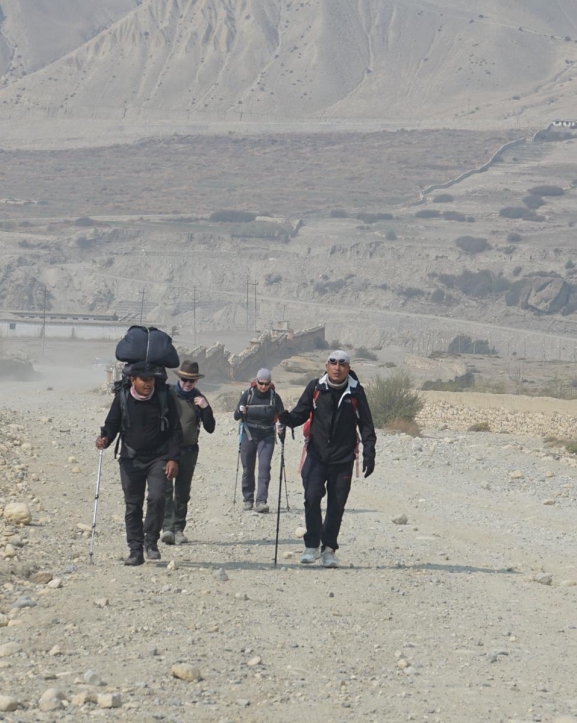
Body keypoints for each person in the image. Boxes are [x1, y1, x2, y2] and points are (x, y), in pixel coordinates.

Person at [279, 350, 376, 568]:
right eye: (333, 363)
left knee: (337, 505)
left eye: (342, 364)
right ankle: (311, 545)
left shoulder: (356, 392)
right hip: (316, 454)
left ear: (348, 368)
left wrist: (370, 451)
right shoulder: (315, 387)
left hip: (343, 458)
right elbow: (301, 413)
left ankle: (329, 549)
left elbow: (366, 424)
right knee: (312, 497)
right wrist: (287, 419)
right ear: (326, 366)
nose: (337, 367)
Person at [95, 361, 183, 566]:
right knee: (133, 505)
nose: (148, 383)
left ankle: (150, 542)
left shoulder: (164, 397)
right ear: (133, 380)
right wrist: (105, 439)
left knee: (158, 497)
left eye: (151, 379)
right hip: (130, 459)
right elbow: (112, 424)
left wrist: (173, 458)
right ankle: (135, 550)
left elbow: (175, 431)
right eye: (144, 379)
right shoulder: (123, 397)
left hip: (158, 458)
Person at [161, 360, 215, 545]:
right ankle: (167, 528)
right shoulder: (168, 395)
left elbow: (210, 428)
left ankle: (178, 529)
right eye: (184, 379)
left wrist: (206, 408)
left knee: (182, 492)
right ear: (179, 378)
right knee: (166, 490)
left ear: (196, 382)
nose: (187, 383)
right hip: (167, 450)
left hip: (189, 451)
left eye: (191, 381)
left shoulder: (199, 398)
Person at [233, 368, 285, 513]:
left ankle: (261, 501)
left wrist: (283, 426)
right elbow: (236, 416)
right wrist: (240, 411)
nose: (263, 386)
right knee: (248, 468)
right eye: (261, 383)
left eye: (266, 384)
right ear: (256, 382)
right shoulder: (247, 395)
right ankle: (248, 499)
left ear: (270, 383)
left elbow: (282, 415)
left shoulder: (274, 397)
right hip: (249, 434)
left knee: (264, 467)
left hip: (267, 436)